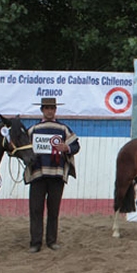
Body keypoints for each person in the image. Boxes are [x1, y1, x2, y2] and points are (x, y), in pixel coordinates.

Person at [25, 97, 80, 253]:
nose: (50, 111)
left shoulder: (63, 129)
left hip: (56, 174)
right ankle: (35, 242)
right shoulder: (33, 130)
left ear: (55, 110)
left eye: (52, 108)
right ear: (42, 110)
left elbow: (76, 145)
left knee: (53, 209)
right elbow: (24, 148)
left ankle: (51, 241)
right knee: (36, 209)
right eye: (47, 108)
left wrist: (66, 148)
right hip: (38, 174)